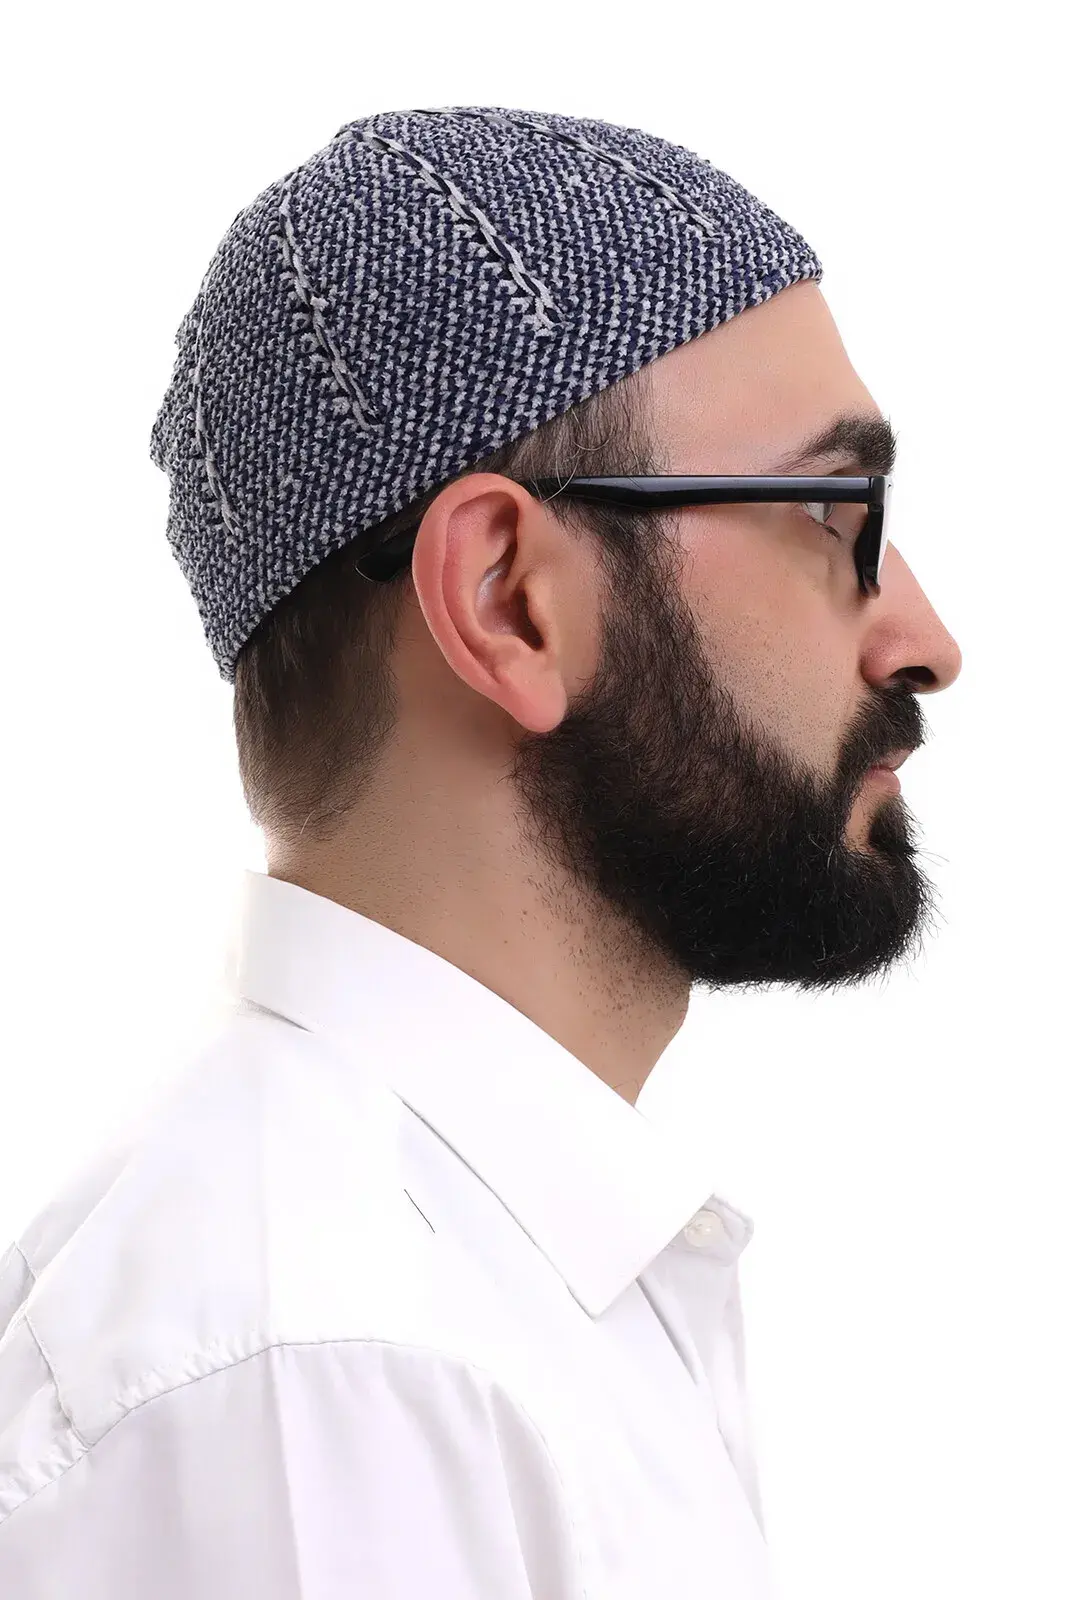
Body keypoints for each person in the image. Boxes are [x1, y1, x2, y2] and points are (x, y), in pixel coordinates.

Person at [0, 106, 962, 1597]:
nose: (925, 638)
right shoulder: (332, 1374)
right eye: (836, 511)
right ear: (508, 599)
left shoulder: (462, 1291)